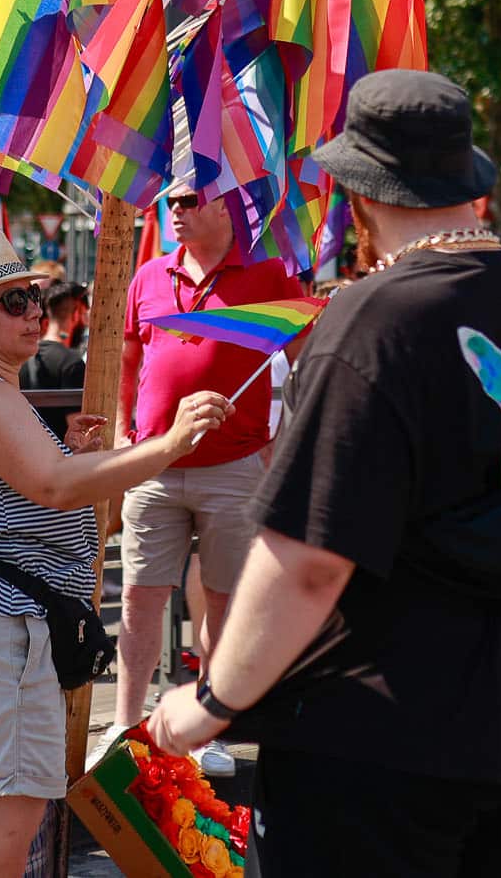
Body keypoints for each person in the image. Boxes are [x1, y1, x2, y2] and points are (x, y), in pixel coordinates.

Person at [148, 70, 501, 877]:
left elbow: (311, 558)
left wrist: (211, 701)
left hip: (379, 732)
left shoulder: (372, 316)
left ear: (359, 192)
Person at [0, 231, 220, 876]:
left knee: (1, 831)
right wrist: (169, 445)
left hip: (4, 634)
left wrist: (85, 462)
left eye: (34, 296)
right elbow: (52, 485)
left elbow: (66, 506)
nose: (32, 312)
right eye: (12, 302)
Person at [98, 181, 310, 775]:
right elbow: (128, 359)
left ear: (226, 206)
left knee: (223, 603)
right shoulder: (149, 275)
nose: (175, 211)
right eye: (172, 202)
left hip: (234, 467)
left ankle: (207, 726)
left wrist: (283, 446)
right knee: (140, 597)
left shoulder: (269, 274)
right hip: (153, 465)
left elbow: (308, 360)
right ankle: (123, 724)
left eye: (189, 200)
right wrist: (121, 430)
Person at [19, 281, 88, 440]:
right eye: (83, 314)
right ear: (76, 315)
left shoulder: (18, 359)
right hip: (60, 457)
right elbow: (78, 433)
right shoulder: (72, 363)